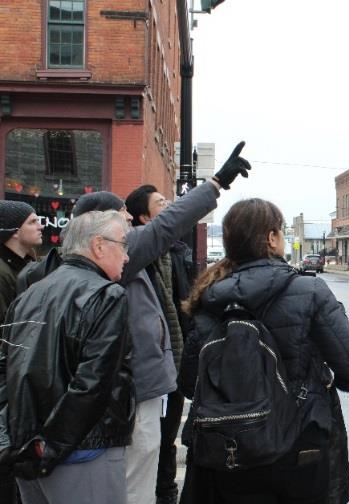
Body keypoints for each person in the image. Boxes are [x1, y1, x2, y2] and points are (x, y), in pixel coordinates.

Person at [65, 142, 251, 504]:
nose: (129, 222)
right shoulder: (114, 256)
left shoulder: (69, 268)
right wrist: (214, 184)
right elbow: (167, 226)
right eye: (121, 215)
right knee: (135, 483)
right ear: (97, 231)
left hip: (132, 390)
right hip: (133, 392)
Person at [181, 198, 349, 504]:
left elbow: (190, 382)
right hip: (300, 449)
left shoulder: (208, 297)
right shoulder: (309, 291)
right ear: (271, 238)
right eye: (280, 232)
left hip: (229, 452)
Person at [0, 210, 134, 504]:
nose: (126, 256)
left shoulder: (29, 294)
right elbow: (93, 383)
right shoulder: (107, 295)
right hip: (81, 451)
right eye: (123, 244)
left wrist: (17, 441)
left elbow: (6, 371)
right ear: (99, 245)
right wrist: (48, 448)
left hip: (31, 448)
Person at [125, 185, 189, 504]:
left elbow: (182, 307)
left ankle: (166, 493)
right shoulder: (135, 259)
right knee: (151, 443)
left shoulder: (173, 254)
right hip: (149, 370)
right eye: (160, 203)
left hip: (171, 362)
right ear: (143, 217)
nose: (168, 206)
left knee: (165, 441)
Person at [0, 200, 43, 504]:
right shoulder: (4, 273)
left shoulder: (25, 267)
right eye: (32, 221)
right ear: (13, 232)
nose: (40, 225)